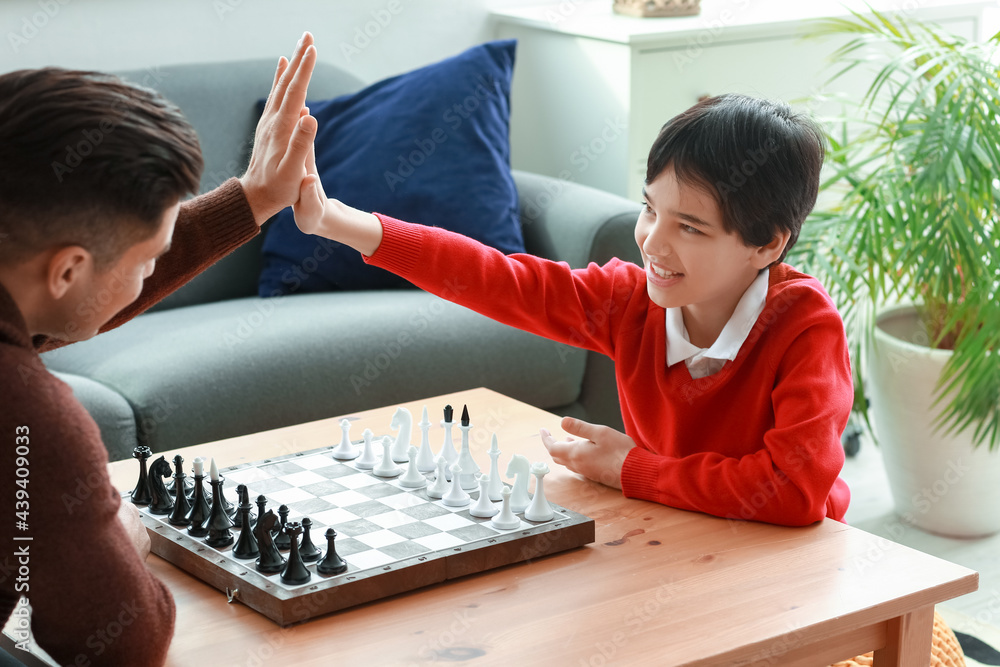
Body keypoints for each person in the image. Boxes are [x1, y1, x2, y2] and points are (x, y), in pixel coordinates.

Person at [291, 94, 853, 527]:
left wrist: (628, 468)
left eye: (689, 227)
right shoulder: (629, 303)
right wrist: (333, 220)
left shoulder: (803, 326)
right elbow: (496, 278)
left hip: (790, 565)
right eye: (649, 209)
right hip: (678, 528)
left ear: (766, 245)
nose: (653, 243)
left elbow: (792, 492)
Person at [0, 34, 318, 666]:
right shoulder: (29, 417)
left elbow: (48, 315)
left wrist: (254, 198)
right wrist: (121, 537)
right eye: (146, 261)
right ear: (66, 272)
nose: (148, 276)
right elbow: (128, 644)